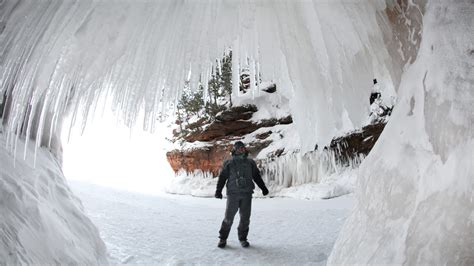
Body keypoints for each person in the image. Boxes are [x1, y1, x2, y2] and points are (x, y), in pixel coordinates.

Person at [215, 141, 269, 248]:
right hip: (233, 194)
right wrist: (218, 190)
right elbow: (222, 178)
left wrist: (263, 188)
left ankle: (243, 238)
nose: (242, 149)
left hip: (247, 194)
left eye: (243, 148)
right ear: (234, 150)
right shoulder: (228, 163)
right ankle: (222, 239)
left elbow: (256, 177)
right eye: (239, 148)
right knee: (228, 218)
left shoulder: (250, 163)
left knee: (245, 218)